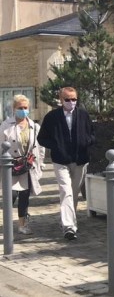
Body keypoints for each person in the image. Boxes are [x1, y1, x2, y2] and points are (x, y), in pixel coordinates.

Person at [37, 86, 94, 241]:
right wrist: (56, 145)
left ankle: (69, 220)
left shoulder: (83, 115)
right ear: (61, 100)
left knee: (73, 193)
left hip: (80, 160)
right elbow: (41, 138)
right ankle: (69, 227)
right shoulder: (52, 117)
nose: (71, 102)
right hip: (60, 160)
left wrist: (86, 142)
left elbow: (92, 133)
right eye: (67, 99)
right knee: (66, 190)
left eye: (74, 99)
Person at [1, 94, 44, 235]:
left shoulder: (34, 126)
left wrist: (40, 165)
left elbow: (40, 148)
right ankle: (7, 222)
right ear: (14, 108)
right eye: (20, 108)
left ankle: (22, 224)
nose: (23, 110)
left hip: (27, 166)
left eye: (25, 107)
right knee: (11, 195)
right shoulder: (6, 125)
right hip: (11, 166)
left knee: (24, 196)